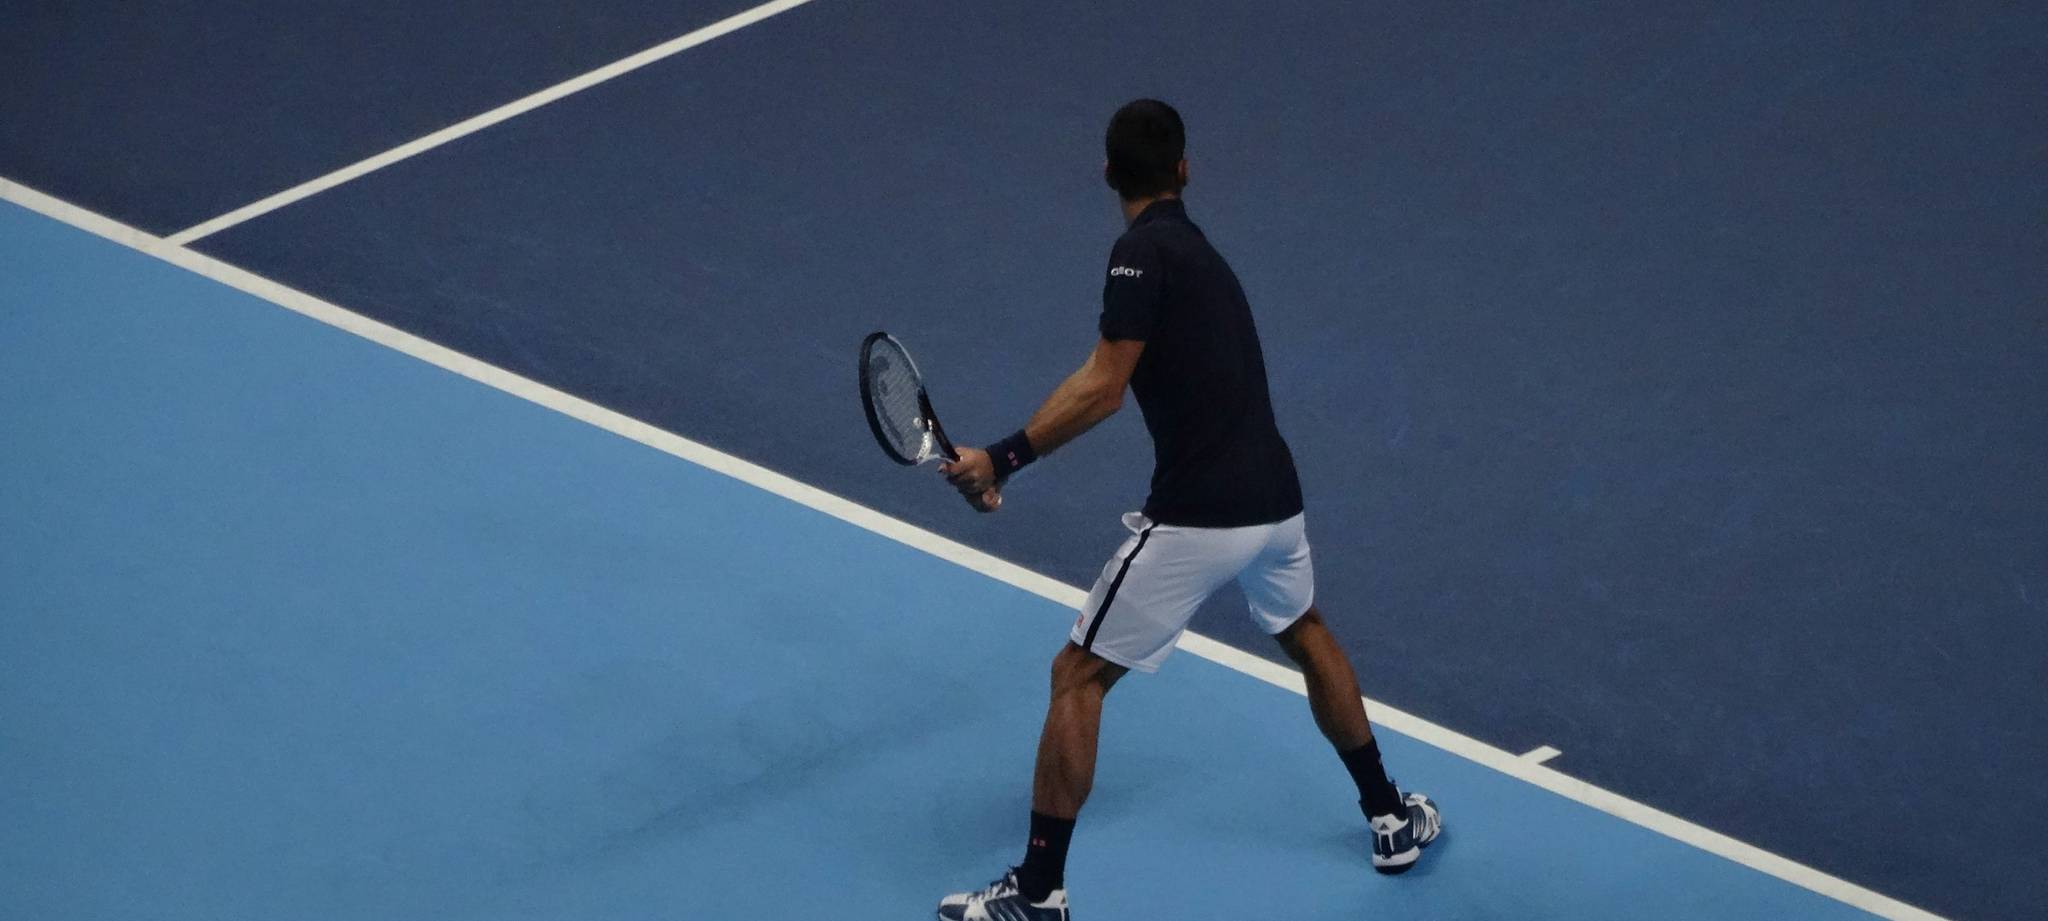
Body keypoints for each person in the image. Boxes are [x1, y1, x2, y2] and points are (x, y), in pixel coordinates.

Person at [932, 99, 1441, 921]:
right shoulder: (1199, 251)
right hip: (1276, 501)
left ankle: (1037, 892)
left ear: (1107, 173)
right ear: (1184, 170)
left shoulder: (1138, 254)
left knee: (1077, 675)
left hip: (1202, 513)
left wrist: (1004, 458)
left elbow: (1104, 386)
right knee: (1304, 629)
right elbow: (1113, 374)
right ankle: (1391, 815)